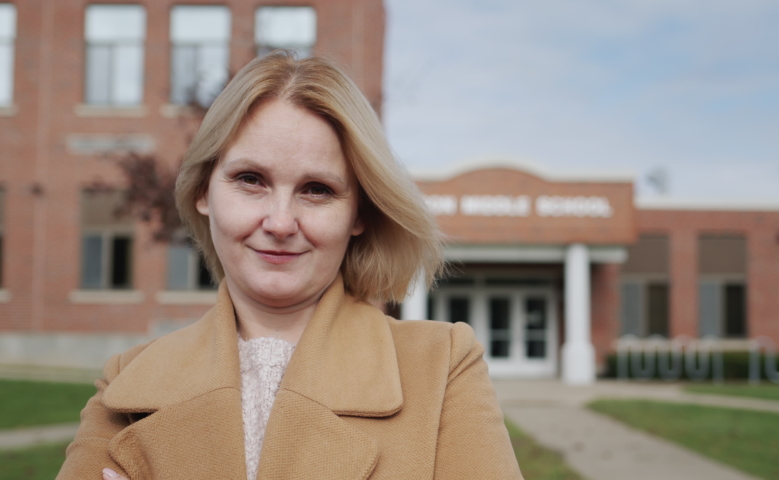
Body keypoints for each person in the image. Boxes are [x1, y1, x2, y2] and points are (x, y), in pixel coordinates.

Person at [58, 52, 523, 480]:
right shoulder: (127, 380)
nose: (280, 223)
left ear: (359, 211)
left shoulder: (443, 365)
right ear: (204, 191)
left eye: (317, 189)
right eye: (250, 179)